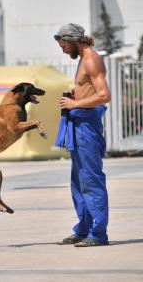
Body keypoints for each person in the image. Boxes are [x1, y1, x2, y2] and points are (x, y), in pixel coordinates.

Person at [54, 23, 111, 247]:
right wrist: (74, 94)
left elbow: (104, 95)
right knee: (78, 182)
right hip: (78, 126)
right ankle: (84, 229)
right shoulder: (82, 58)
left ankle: (98, 234)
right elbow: (88, 89)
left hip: (87, 128)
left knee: (91, 181)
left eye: (64, 45)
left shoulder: (91, 59)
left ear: (74, 41)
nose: (63, 50)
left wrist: (75, 102)